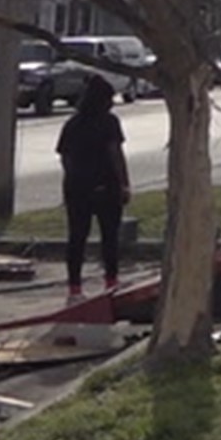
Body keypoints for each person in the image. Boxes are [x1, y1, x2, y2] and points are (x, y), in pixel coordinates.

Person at [57, 76, 130, 298]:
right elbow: (115, 154)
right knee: (109, 236)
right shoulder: (109, 122)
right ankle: (111, 281)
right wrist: (124, 183)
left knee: (77, 237)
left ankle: (75, 287)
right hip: (106, 186)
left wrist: (74, 179)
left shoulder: (72, 124)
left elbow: (65, 157)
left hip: (77, 188)